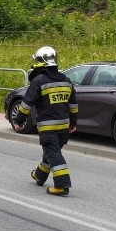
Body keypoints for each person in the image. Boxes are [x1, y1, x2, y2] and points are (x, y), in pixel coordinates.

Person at [13, 46, 78, 196]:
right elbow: (73, 106)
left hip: (48, 128)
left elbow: (27, 103)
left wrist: (19, 120)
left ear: (40, 62)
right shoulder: (66, 80)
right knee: (50, 152)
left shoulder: (39, 81)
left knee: (53, 153)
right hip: (64, 127)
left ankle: (62, 185)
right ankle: (39, 175)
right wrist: (73, 123)